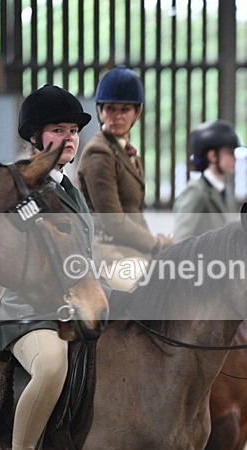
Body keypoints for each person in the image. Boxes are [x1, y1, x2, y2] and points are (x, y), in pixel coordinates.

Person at [0, 85, 96, 450]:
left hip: (74, 305)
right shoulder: (22, 189)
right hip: (28, 311)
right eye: (58, 130)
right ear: (35, 137)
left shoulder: (71, 189)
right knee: (52, 365)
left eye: (73, 130)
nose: (70, 138)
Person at [77, 65, 170, 290]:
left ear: (136, 113)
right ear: (100, 111)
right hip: (108, 251)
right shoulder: (98, 153)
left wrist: (157, 246)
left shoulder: (128, 153)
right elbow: (114, 221)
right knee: (146, 291)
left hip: (132, 250)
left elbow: (135, 213)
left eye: (125, 109)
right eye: (110, 108)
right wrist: (155, 243)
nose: (117, 116)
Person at [172, 119, 241, 242]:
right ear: (212, 156)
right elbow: (180, 239)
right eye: (230, 153)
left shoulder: (225, 190)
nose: (235, 159)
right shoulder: (196, 192)